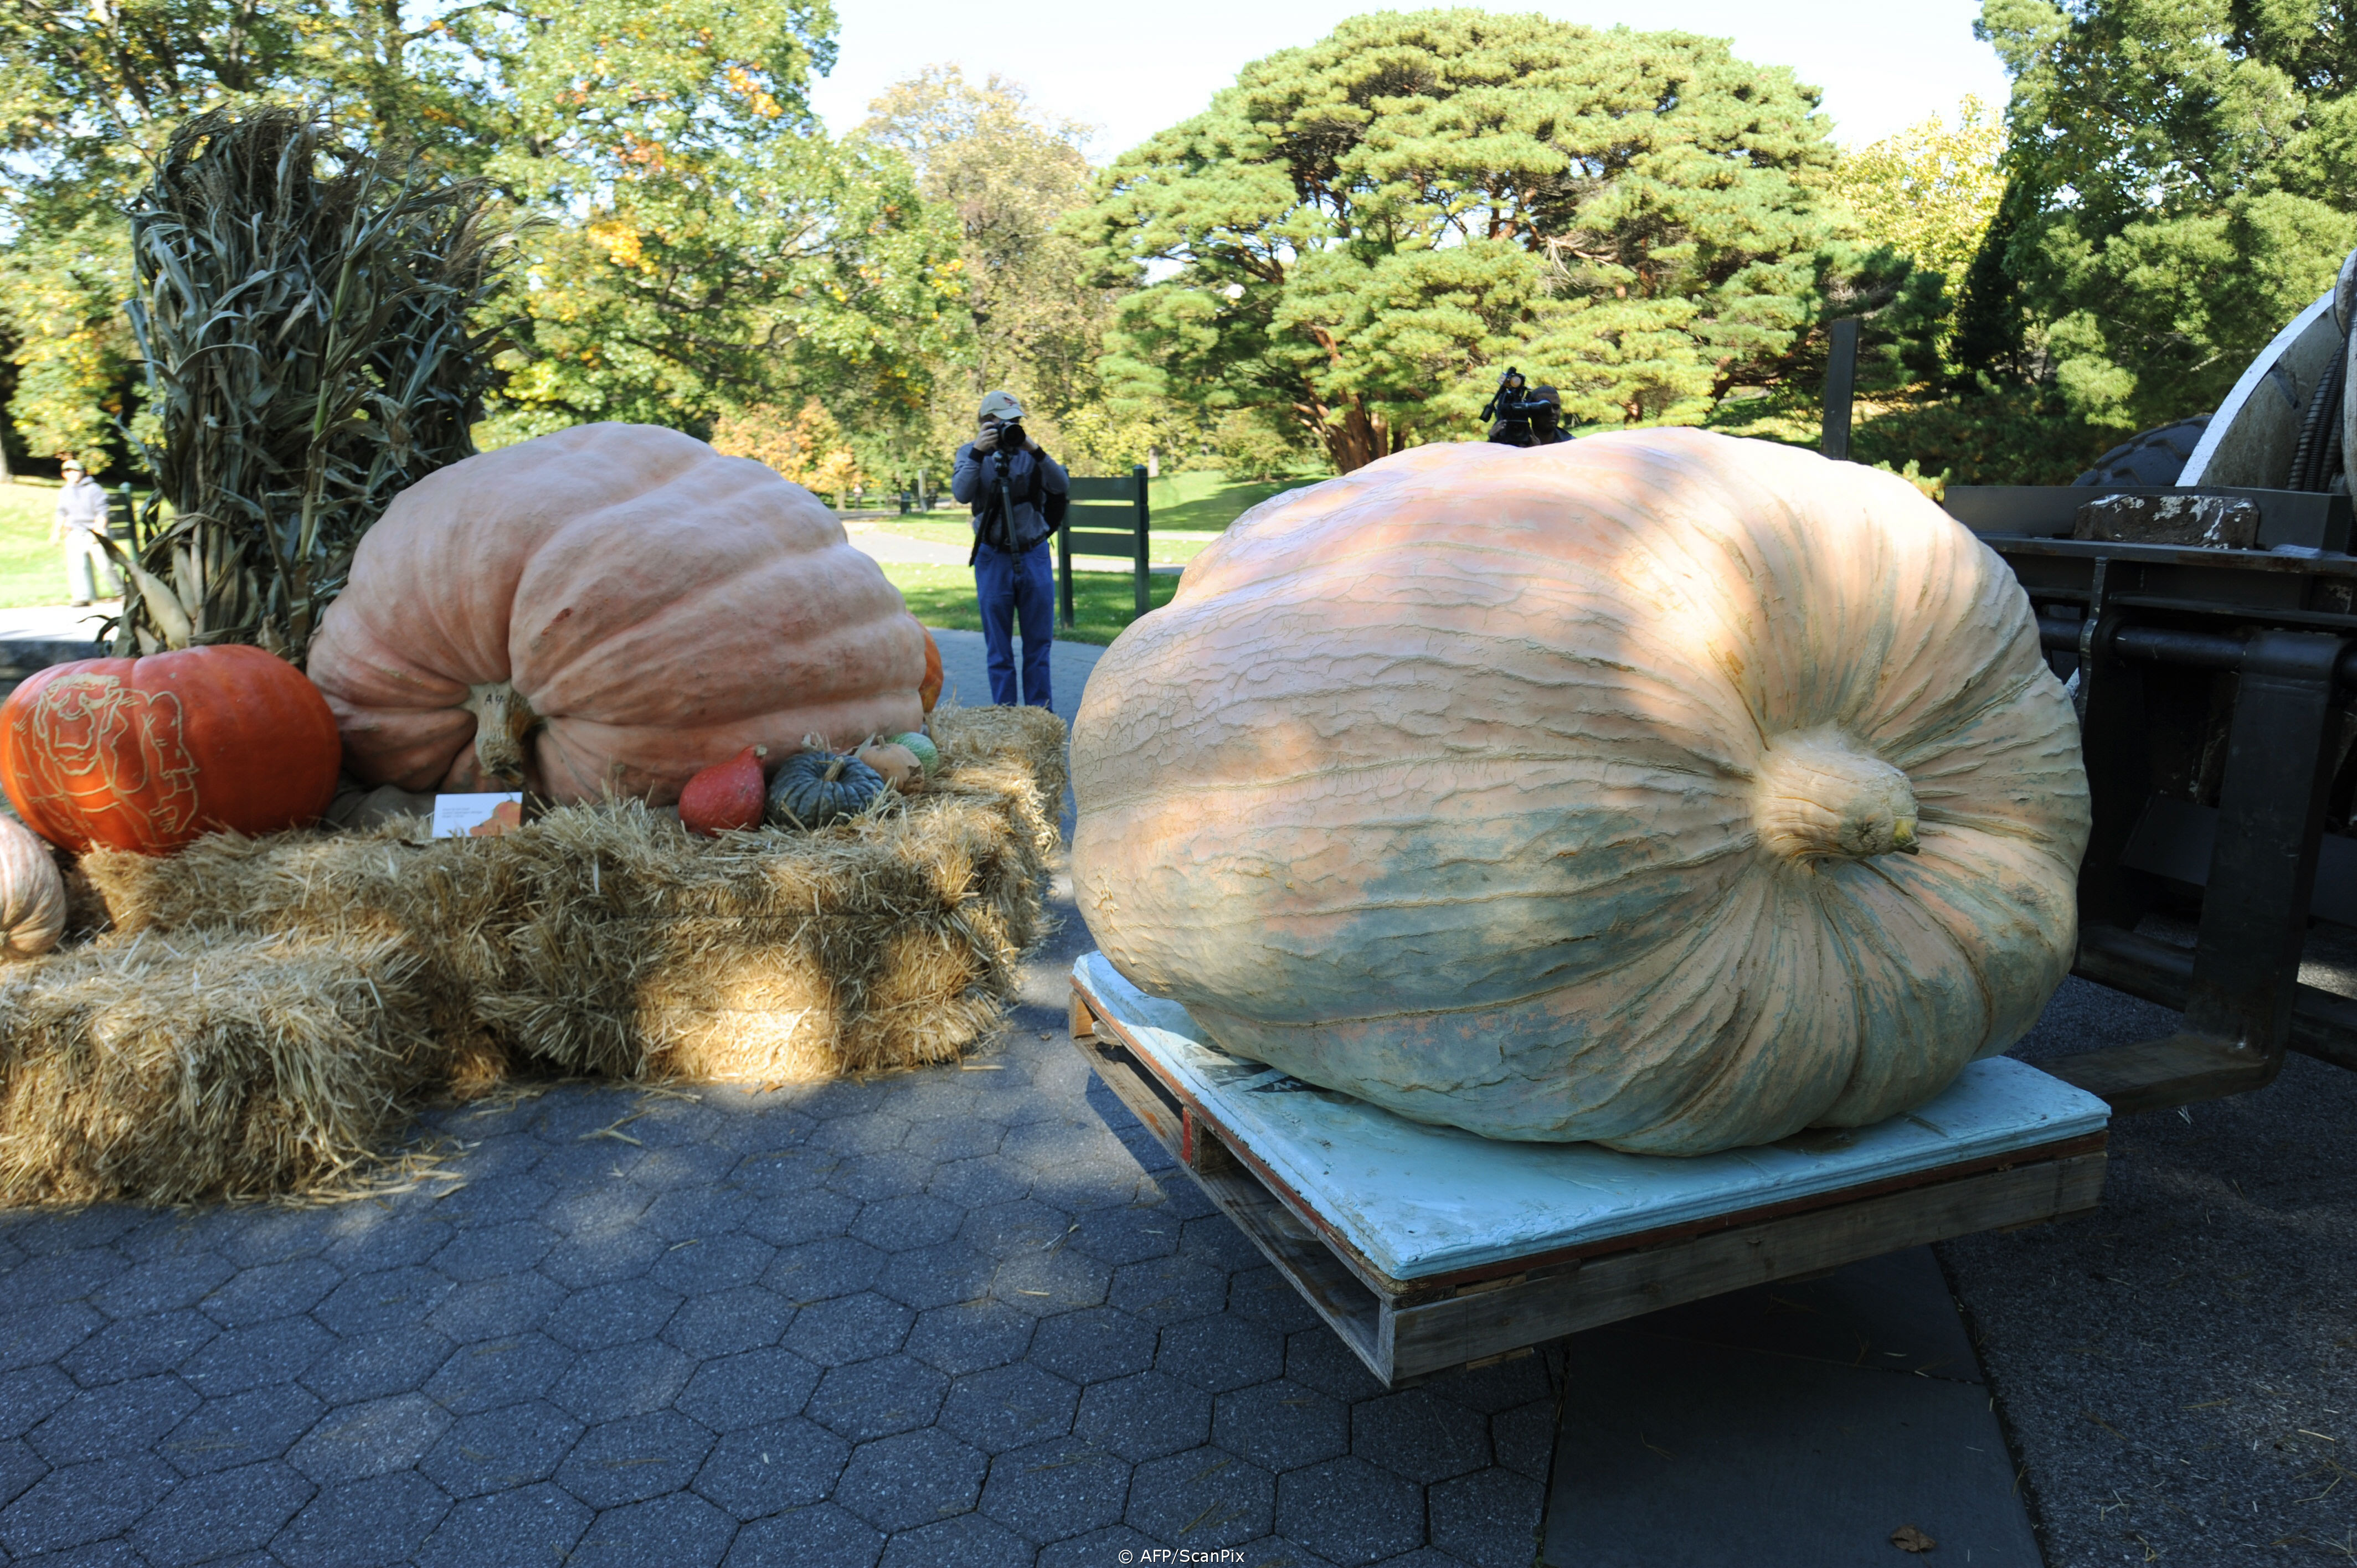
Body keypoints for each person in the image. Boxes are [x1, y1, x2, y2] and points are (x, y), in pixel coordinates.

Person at [951, 390, 1068, 710]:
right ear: (985, 423)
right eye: (1003, 423)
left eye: (1015, 421)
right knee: (999, 650)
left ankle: (1040, 717)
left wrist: (1035, 448)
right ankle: (1004, 718)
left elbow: (1061, 485)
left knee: (1038, 647)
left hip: (1034, 554)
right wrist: (978, 453)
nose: (1010, 428)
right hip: (993, 557)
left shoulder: (1030, 454)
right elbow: (961, 494)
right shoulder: (969, 454)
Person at [49, 459, 117, 607]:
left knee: (105, 564)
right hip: (75, 531)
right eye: (68, 471)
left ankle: (121, 592)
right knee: (76, 566)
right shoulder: (65, 491)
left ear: (82, 472)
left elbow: (102, 512)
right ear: (64, 474)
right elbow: (61, 513)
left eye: (75, 471)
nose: (72, 474)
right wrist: (56, 533)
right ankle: (81, 597)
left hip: (94, 530)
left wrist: (98, 532)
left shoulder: (94, 489)